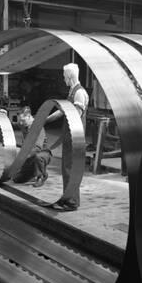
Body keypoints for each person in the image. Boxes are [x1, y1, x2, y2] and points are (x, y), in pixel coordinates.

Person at [45, 63, 89, 211]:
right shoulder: (71, 91)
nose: (63, 80)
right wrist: (45, 119)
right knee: (66, 168)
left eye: (64, 77)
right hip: (69, 136)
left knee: (71, 168)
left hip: (75, 137)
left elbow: (76, 115)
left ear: (69, 77)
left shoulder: (79, 93)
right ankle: (67, 198)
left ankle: (72, 202)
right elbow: (62, 111)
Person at [12, 107, 52, 187]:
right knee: (16, 179)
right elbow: (14, 125)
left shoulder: (38, 128)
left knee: (38, 157)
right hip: (29, 154)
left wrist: (23, 156)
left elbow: (37, 148)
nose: (21, 123)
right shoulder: (24, 124)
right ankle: (33, 173)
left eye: (23, 120)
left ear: (29, 117)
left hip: (43, 153)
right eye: (20, 120)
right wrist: (4, 116)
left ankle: (41, 176)